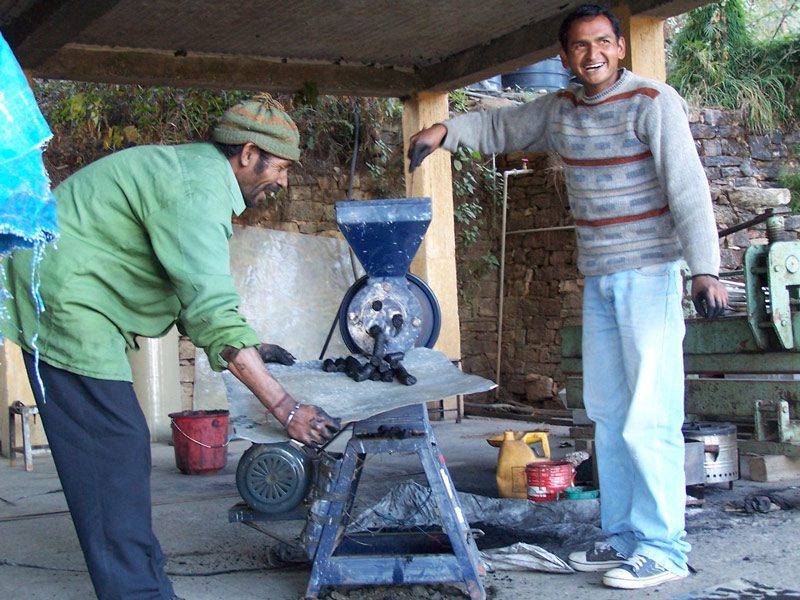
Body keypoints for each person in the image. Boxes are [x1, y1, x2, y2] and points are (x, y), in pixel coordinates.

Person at [409, 4, 728, 590]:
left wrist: (706, 268)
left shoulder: (653, 103)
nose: (594, 55)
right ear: (564, 58)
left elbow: (688, 186)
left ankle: (663, 546)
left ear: (621, 48)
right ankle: (625, 538)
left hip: (651, 274)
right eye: (581, 47)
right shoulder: (560, 110)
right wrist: (444, 131)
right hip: (601, 277)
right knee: (606, 414)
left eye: (604, 42)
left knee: (647, 417)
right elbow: (503, 125)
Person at [2, 93, 341, 600]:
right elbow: (210, 307)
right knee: (113, 450)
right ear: (249, 153)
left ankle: (143, 580)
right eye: (282, 168)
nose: (284, 181)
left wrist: (253, 347)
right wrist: (286, 407)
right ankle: (138, 592)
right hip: (61, 296)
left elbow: (188, 289)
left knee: (119, 448)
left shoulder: (193, 175)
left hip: (71, 289)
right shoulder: (198, 188)